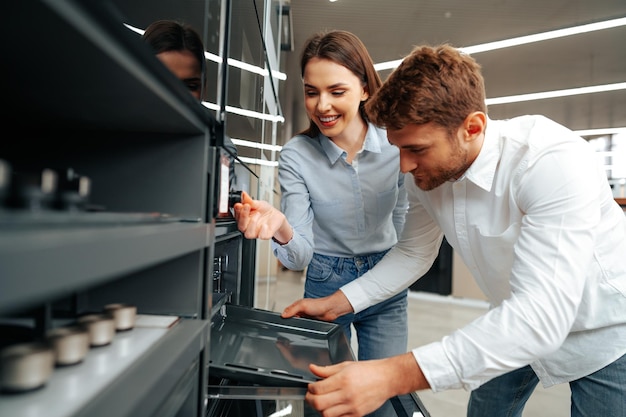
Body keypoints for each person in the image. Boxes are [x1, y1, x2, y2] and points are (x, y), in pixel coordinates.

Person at [274, 44, 626, 417]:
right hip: (512, 319)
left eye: (416, 149)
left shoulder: (550, 161)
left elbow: (541, 317)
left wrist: (391, 374)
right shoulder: (427, 177)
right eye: (398, 148)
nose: (404, 166)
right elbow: (413, 253)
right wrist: (338, 301)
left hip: (603, 331)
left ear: (471, 128)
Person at [233, 30, 409, 364]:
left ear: (365, 89)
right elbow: (298, 258)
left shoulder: (395, 143)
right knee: (326, 399)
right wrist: (282, 226)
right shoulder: (297, 156)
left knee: (382, 392)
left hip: (385, 279)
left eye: (336, 91)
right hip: (326, 278)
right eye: (312, 92)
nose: (322, 106)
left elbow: (401, 211)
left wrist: (395, 256)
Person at [141, 19, 237, 186]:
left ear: (204, 88)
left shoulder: (219, 148)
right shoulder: (114, 136)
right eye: (163, 83)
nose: (178, 96)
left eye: (190, 86)